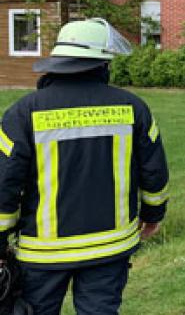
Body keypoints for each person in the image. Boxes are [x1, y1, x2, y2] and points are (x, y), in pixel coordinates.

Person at [0, 18, 169, 314]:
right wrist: (153, 215)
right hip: (110, 247)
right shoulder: (134, 108)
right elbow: (154, 173)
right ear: (103, 64)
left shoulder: (22, 113)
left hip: (44, 252)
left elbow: (5, 183)